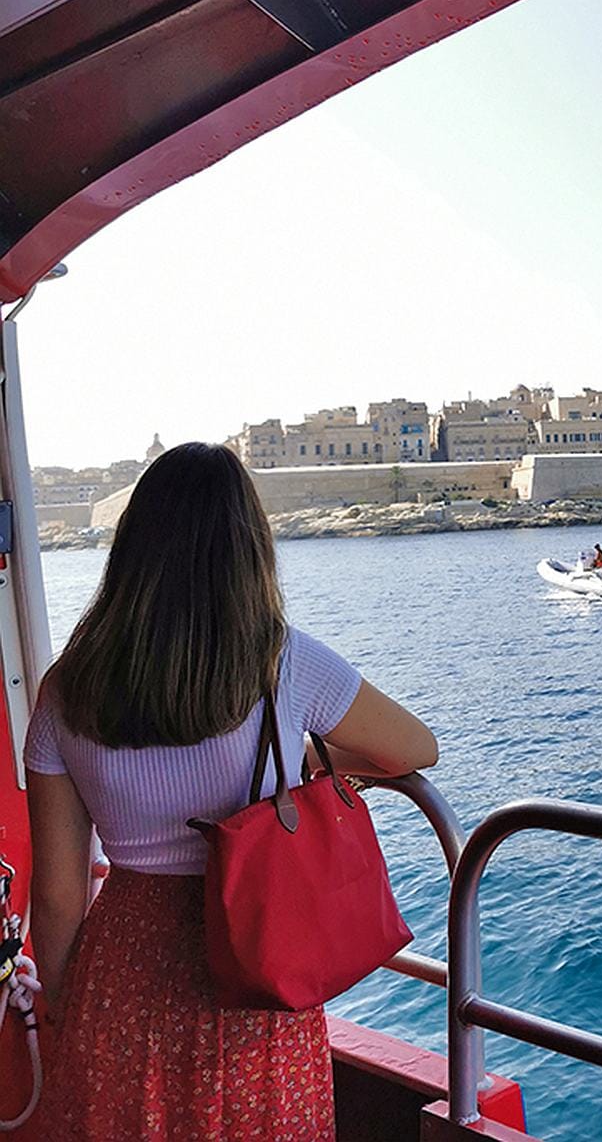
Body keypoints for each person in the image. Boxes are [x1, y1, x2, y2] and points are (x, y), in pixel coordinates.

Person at [23, 443, 437, 1140]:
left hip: (123, 969)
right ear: (248, 549)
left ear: (132, 547)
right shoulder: (285, 660)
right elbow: (415, 748)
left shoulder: (67, 686)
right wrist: (305, 749)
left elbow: (59, 894)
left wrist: (64, 999)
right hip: (258, 961)